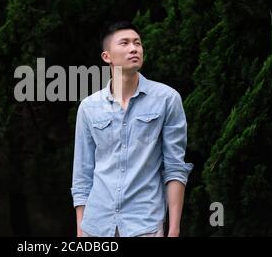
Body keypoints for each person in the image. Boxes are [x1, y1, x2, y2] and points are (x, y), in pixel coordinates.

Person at [70, 21, 193, 237]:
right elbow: (82, 174)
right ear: (107, 56)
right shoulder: (89, 107)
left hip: (144, 225)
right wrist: (81, 231)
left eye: (137, 43)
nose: (134, 48)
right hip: (96, 226)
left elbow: (175, 168)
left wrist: (174, 229)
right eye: (125, 43)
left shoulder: (167, 99)